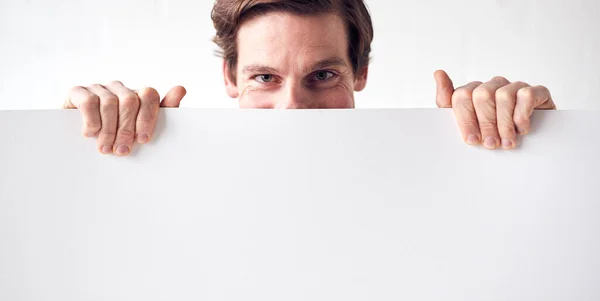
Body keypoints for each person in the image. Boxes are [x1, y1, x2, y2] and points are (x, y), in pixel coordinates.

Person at [63, 0, 556, 157]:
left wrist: (541, 147)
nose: (293, 106)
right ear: (230, 78)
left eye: (322, 74)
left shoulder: (431, 176)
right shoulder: (177, 185)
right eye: (264, 77)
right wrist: (73, 147)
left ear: (360, 73)